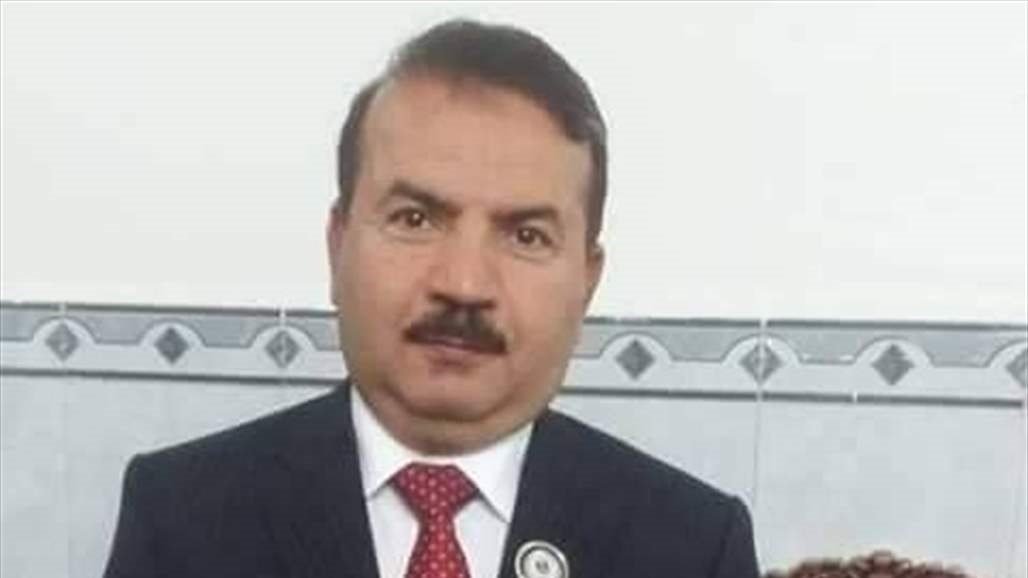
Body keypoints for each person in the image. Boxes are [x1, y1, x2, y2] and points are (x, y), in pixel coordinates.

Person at [104, 19, 759, 578]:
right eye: (415, 219)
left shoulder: (693, 546)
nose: (464, 285)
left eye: (526, 235)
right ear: (338, 244)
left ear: (587, 282)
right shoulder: (182, 519)